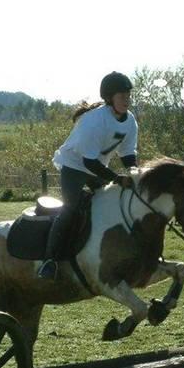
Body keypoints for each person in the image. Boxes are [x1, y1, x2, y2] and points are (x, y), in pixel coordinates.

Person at [38, 71, 138, 279]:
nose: (127, 100)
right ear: (110, 98)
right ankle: (50, 260)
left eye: (128, 96)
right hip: (74, 166)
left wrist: (135, 174)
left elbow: (128, 154)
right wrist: (117, 178)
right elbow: (88, 162)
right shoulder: (93, 120)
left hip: (96, 166)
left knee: (113, 202)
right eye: (122, 96)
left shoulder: (130, 122)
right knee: (71, 208)